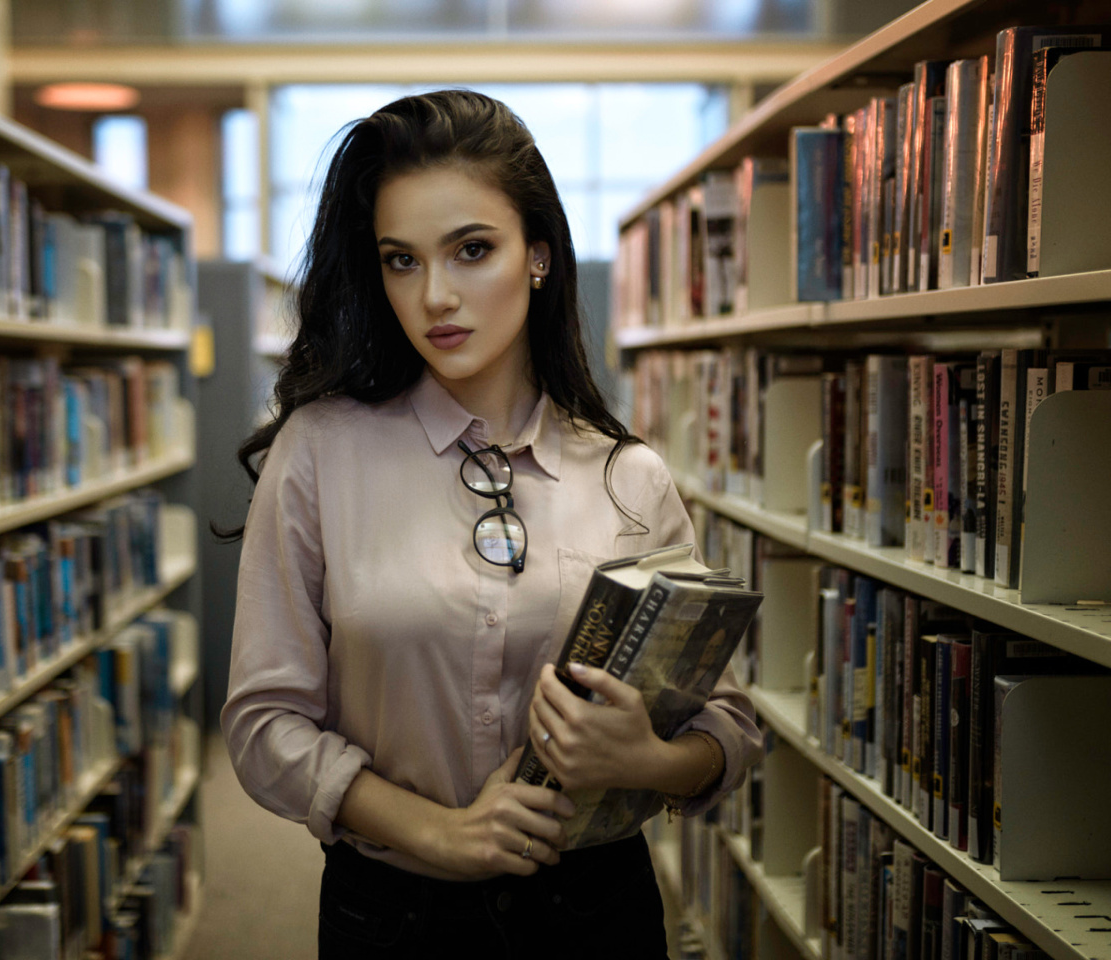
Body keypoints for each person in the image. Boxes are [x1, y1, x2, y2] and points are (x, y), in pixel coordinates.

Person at [220, 89, 763, 959]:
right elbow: (263, 724)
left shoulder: (630, 477)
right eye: (402, 260)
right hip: (394, 915)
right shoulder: (320, 453)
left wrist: (648, 763)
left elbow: (725, 726)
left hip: (599, 914)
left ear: (539, 256)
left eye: (472, 250)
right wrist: (439, 832)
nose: (436, 296)